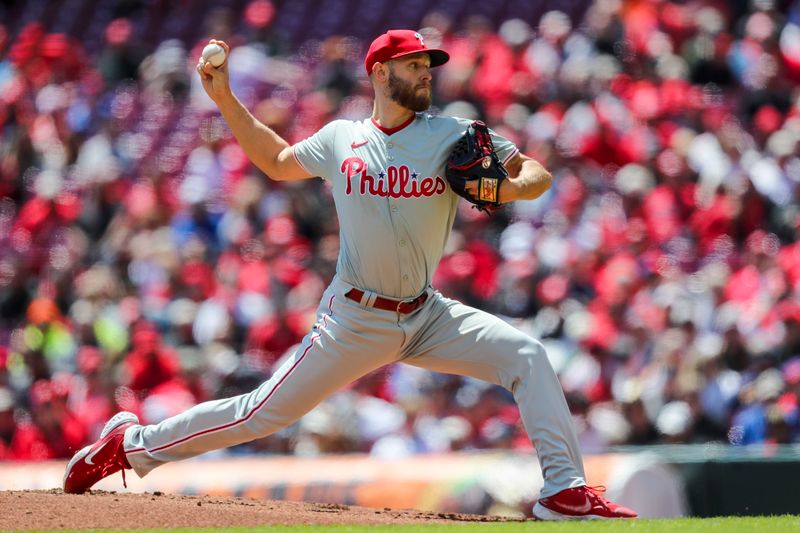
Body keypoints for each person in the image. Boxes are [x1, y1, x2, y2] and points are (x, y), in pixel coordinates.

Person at [63, 29, 637, 521]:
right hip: (355, 319)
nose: (426, 73)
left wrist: (506, 187)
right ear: (380, 72)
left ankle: (561, 490)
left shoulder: (453, 134)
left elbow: (534, 173)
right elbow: (277, 161)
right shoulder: (343, 138)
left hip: (426, 313)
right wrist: (225, 99)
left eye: (428, 65)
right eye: (413, 65)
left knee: (527, 356)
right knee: (264, 413)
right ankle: (130, 445)